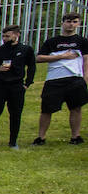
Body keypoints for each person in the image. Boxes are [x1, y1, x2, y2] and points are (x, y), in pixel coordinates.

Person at [32, 12, 88, 145]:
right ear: (62, 23)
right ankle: (41, 137)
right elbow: (40, 58)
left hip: (75, 78)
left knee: (76, 108)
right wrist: (61, 56)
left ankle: (75, 136)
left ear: (79, 24)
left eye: (74, 22)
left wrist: (86, 77)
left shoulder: (82, 41)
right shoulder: (52, 42)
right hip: (54, 80)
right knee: (47, 109)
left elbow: (86, 60)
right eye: (68, 21)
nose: (71, 24)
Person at [0, 25, 35, 149]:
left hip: (16, 86)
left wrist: (27, 83)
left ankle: (13, 142)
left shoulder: (26, 50)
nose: (5, 39)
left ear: (17, 35)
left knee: (15, 114)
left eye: (8, 36)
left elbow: (31, 67)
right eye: (3, 36)